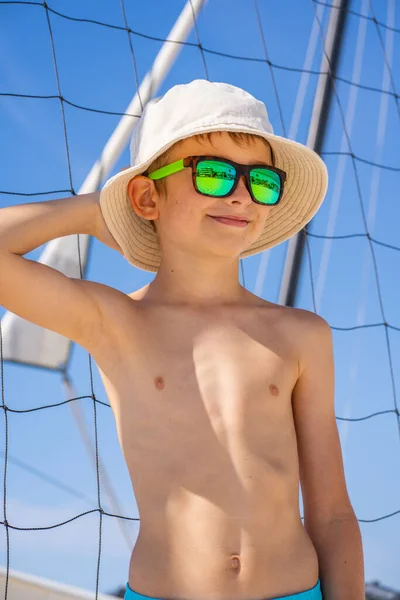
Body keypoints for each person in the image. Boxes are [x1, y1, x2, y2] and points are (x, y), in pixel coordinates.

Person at [0, 80, 364, 600]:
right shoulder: (117, 321)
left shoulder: (301, 334)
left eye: (262, 180)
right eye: (214, 174)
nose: (241, 193)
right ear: (148, 195)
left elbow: (331, 513)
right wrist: (92, 212)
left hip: (294, 590)